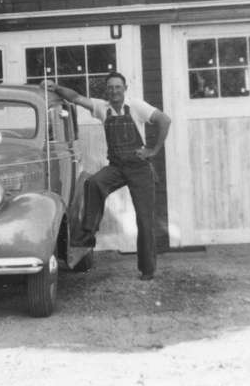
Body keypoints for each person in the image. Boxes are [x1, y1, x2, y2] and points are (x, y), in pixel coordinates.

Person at [45, 73, 171, 280]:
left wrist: (153, 150)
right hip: (117, 167)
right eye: (110, 88)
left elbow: (164, 120)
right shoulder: (102, 107)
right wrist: (55, 87)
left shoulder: (137, 106)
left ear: (125, 88)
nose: (114, 91)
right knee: (93, 183)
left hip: (139, 169)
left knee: (144, 219)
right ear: (107, 90)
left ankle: (147, 269)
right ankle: (86, 236)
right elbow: (75, 97)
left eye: (118, 87)